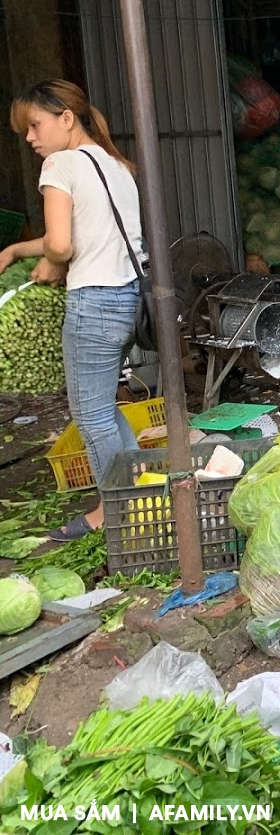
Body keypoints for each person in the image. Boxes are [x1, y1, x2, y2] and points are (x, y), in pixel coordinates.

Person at [0, 81, 144, 542]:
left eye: (34, 125)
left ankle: (112, 510)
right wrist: (20, 249)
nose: (30, 138)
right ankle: (140, 489)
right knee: (105, 407)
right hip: (127, 299)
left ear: (66, 118)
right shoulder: (115, 165)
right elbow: (84, 234)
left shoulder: (59, 164)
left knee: (92, 414)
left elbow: (62, 244)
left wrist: (52, 261)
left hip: (94, 302)